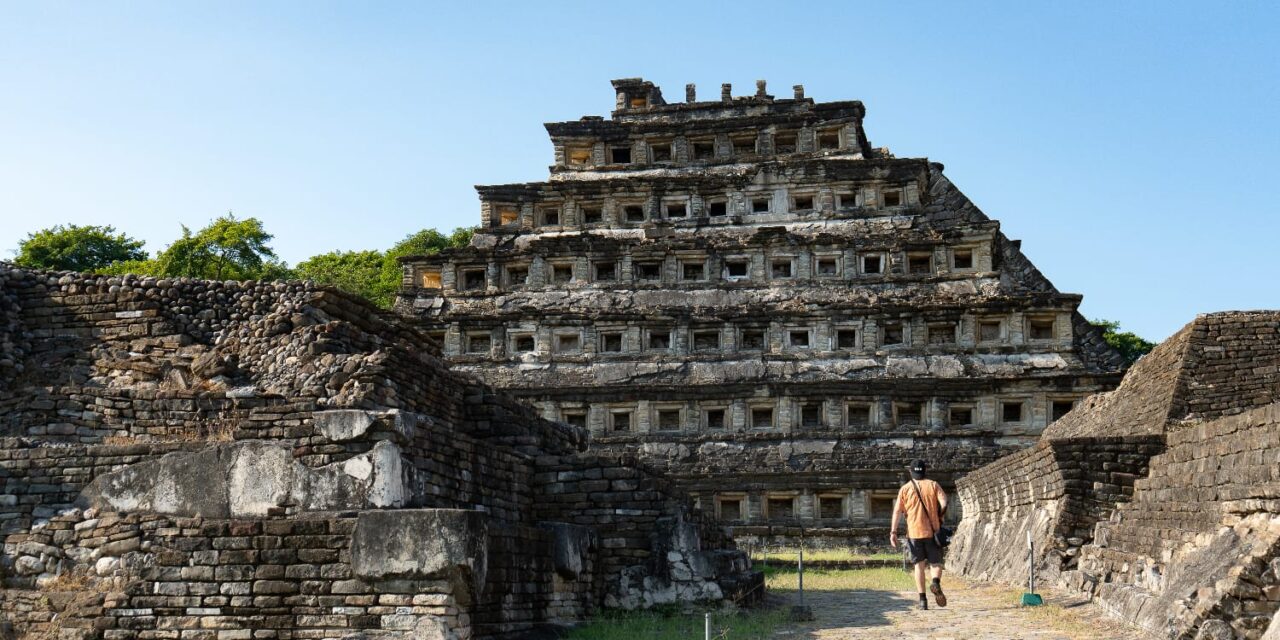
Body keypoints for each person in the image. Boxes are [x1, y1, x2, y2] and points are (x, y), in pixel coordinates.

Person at [889, 459, 948, 609]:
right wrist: (940, 516)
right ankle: (935, 582)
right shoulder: (933, 485)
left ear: (910, 472)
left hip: (914, 532)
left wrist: (893, 532)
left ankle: (922, 601)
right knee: (936, 563)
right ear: (925, 471)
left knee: (919, 566)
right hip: (933, 532)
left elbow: (897, 511)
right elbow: (944, 502)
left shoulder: (905, 489)